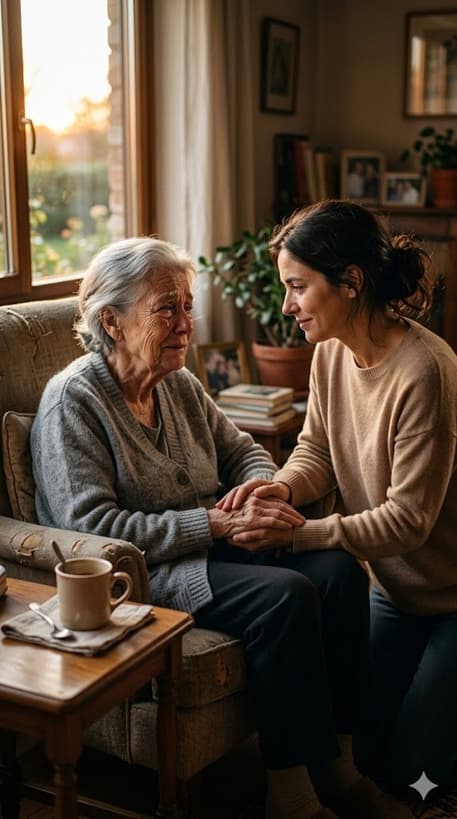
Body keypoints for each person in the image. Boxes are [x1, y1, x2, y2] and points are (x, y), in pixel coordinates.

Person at [30, 236, 413, 819]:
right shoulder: (74, 402)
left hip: (218, 543)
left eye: (188, 306)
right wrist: (214, 522)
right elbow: (92, 529)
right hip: (147, 576)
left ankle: (339, 764)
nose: (186, 323)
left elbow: (243, 451)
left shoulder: (178, 382)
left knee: (337, 571)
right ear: (112, 322)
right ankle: (291, 795)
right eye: (167, 308)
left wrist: (259, 493)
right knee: (285, 598)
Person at [219, 200, 457, 804]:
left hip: (451, 598)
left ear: (350, 282)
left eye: (298, 287)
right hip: (392, 593)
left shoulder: (426, 371)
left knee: (413, 778)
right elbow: (317, 450)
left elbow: (408, 521)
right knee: (362, 755)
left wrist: (299, 533)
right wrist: (281, 487)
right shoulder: (329, 352)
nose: (286, 306)